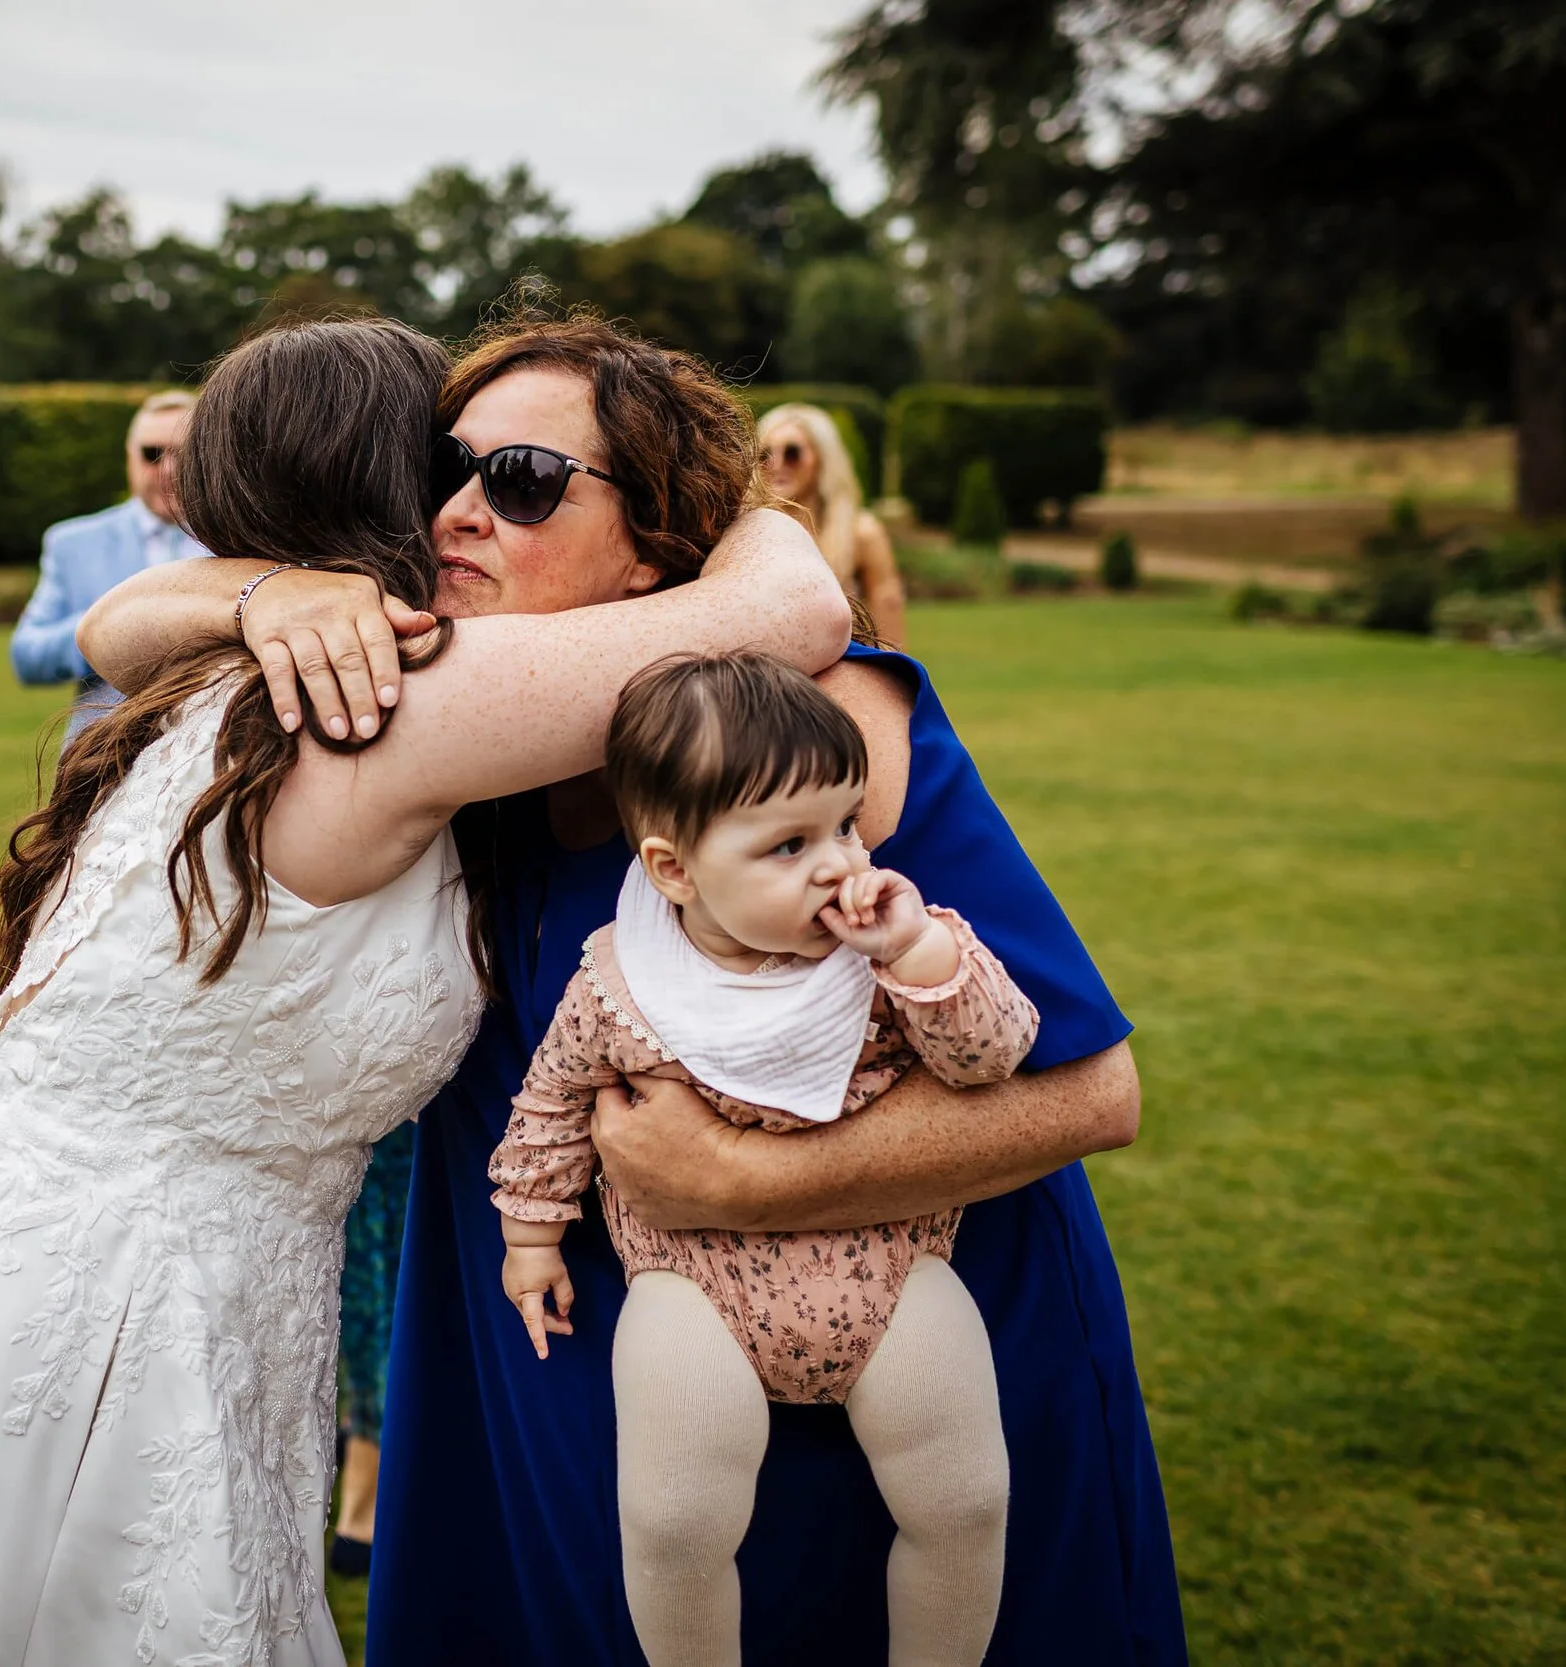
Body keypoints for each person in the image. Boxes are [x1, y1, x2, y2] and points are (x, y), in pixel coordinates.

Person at [0, 316, 853, 1666]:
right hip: (112, 1314)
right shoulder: (400, 699)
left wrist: (245, 594)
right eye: (449, 465)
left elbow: (115, 624)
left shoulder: (241, 672)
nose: (467, 501)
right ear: (389, 483)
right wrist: (717, 503)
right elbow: (796, 611)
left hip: (43, 1263)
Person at [80, 308, 1187, 1665]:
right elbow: (119, 627)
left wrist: (744, 1178)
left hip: (866, 1378)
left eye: (522, 480)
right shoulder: (460, 723)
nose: (459, 510)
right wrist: (262, 595)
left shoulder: (814, 727)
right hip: (544, 1362)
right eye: (444, 467)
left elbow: (1096, 1090)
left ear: (656, 542)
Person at [494, 652, 1036, 1667]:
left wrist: (918, 955)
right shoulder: (622, 981)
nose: (838, 864)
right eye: (790, 844)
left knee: (964, 1499)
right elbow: (552, 1100)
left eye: (845, 824)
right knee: (672, 1519)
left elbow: (991, 1055)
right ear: (675, 870)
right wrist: (531, 1235)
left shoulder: (883, 955)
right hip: (694, 1282)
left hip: (887, 1267)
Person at [9, 389, 211, 737]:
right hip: (105, 751)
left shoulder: (239, 538)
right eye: (152, 454)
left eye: (185, 453)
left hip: (216, 745)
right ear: (129, 458)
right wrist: (106, 627)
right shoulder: (75, 542)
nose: (170, 468)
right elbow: (28, 656)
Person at [331, 1119, 416, 1578]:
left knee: (391, 1310)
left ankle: (367, 1500)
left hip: (417, 1148)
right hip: (352, 1151)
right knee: (370, 1311)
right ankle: (364, 1501)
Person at [756, 404, 907, 648]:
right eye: (765, 454)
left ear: (822, 460)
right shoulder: (745, 529)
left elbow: (890, 636)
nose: (777, 463)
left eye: (792, 453)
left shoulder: (861, 533)